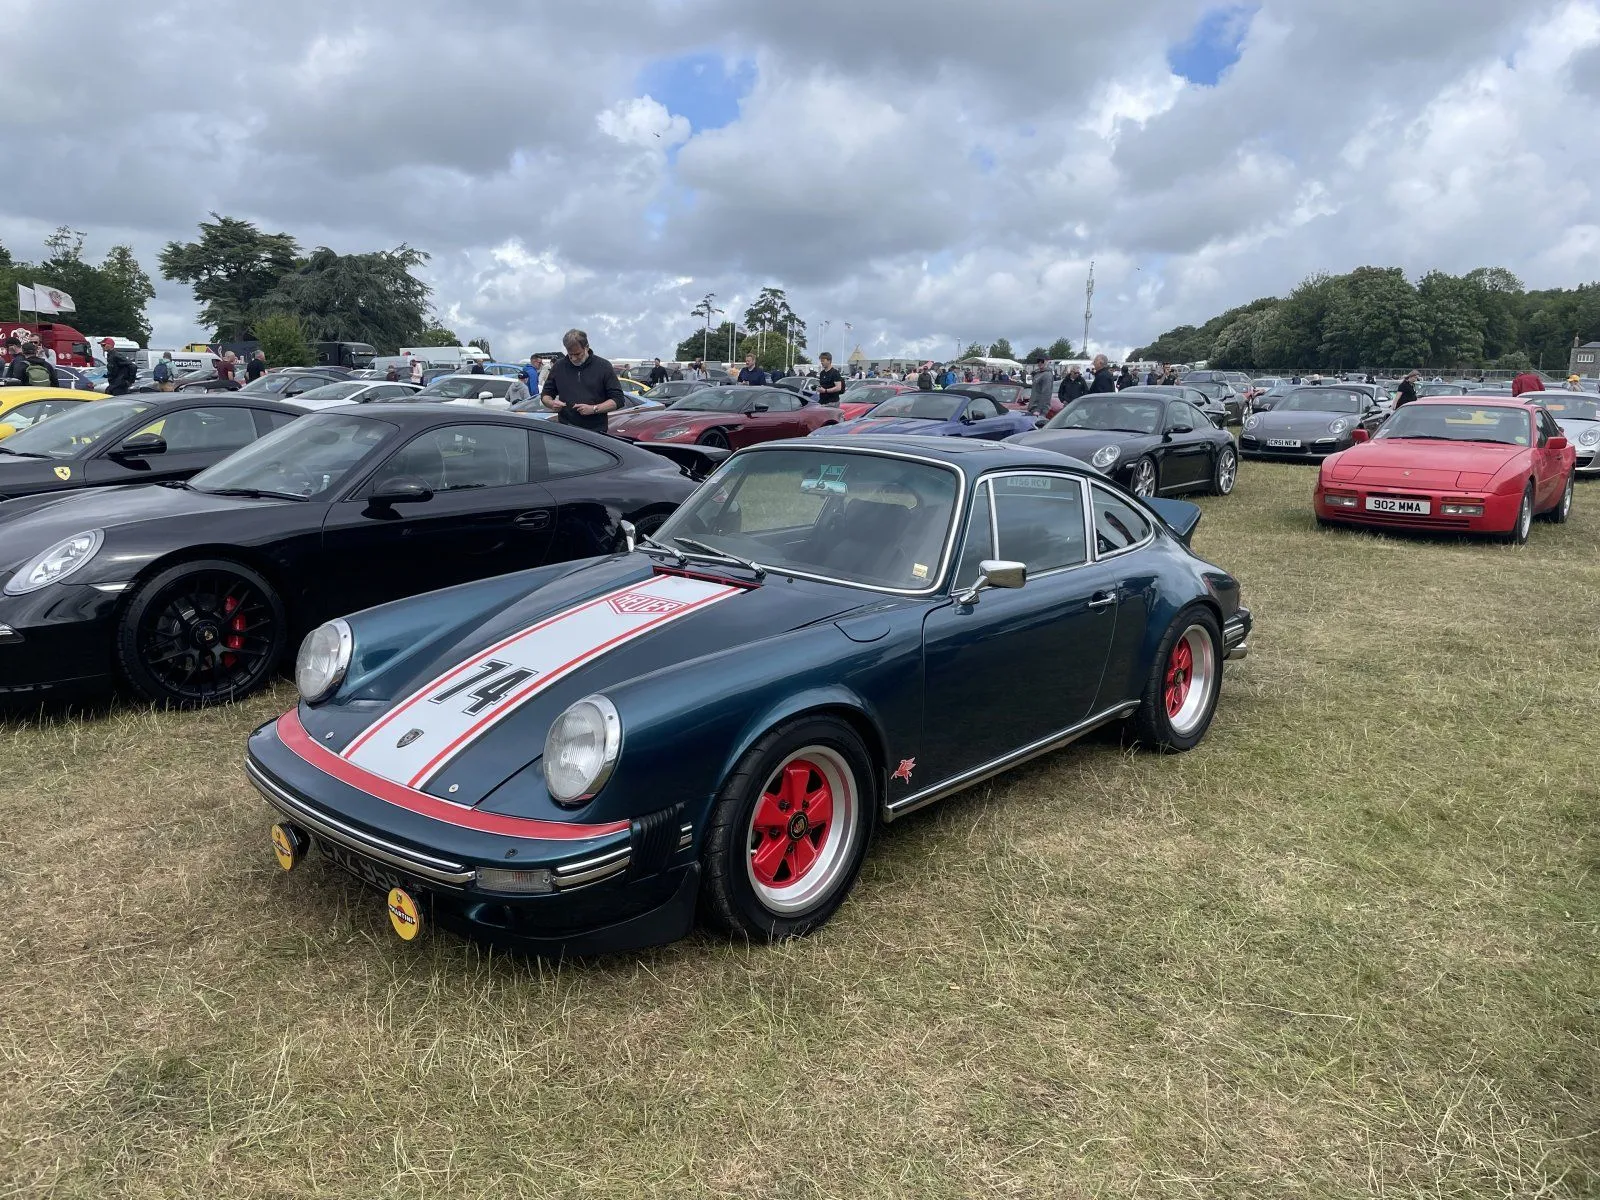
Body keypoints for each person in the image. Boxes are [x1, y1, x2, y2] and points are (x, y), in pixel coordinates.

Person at [540, 328, 624, 433]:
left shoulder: (603, 366)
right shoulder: (559, 367)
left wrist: (594, 409)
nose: (573, 358)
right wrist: (551, 403)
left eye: (577, 354)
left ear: (587, 347)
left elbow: (618, 399)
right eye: (570, 354)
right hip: (566, 430)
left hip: (596, 431)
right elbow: (545, 395)